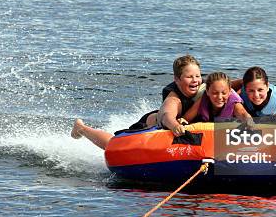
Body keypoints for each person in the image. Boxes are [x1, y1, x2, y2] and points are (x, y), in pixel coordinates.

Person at [71, 55, 204, 149]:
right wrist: (175, 126)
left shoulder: (205, 90)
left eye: (197, 76)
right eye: (189, 77)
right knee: (113, 145)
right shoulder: (174, 99)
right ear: (177, 79)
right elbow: (166, 116)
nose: (195, 80)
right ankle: (82, 128)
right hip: (147, 129)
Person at [180, 72, 251, 124]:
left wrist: (249, 122)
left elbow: (243, 114)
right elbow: (186, 119)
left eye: (224, 93)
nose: (219, 97)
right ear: (207, 91)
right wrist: (181, 122)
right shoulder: (203, 100)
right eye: (215, 93)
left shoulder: (234, 103)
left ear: (229, 92)